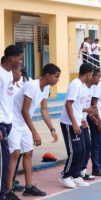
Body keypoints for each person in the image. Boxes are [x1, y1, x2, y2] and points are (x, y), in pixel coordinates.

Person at [6, 63, 61, 199]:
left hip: (24, 122)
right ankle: (7, 191)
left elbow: (44, 110)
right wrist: (35, 132)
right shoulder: (32, 85)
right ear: (47, 75)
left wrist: (52, 129)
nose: (57, 80)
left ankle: (29, 187)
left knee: (28, 153)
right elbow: (24, 111)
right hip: (14, 121)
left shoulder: (46, 87)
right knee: (14, 154)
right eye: (56, 77)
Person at [59, 63, 97, 188]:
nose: (91, 77)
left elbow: (77, 106)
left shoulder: (81, 86)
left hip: (77, 121)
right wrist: (75, 123)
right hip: (69, 123)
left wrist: (82, 118)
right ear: (87, 73)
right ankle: (65, 175)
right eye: (91, 74)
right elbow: (68, 104)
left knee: (81, 150)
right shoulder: (75, 84)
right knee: (74, 151)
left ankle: (75, 176)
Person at [0, 45, 23, 200]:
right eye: (19, 59)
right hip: (0, 124)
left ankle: (4, 192)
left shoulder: (9, 75)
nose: (20, 62)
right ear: (11, 58)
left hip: (7, 123)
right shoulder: (1, 74)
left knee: (6, 161)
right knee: (3, 162)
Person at [80, 67, 101, 180]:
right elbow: (74, 107)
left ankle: (82, 170)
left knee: (87, 146)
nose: (99, 79)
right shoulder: (80, 88)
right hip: (76, 122)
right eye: (97, 76)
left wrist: (92, 117)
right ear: (90, 76)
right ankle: (74, 172)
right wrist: (82, 117)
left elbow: (87, 109)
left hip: (83, 121)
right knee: (80, 148)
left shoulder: (91, 89)